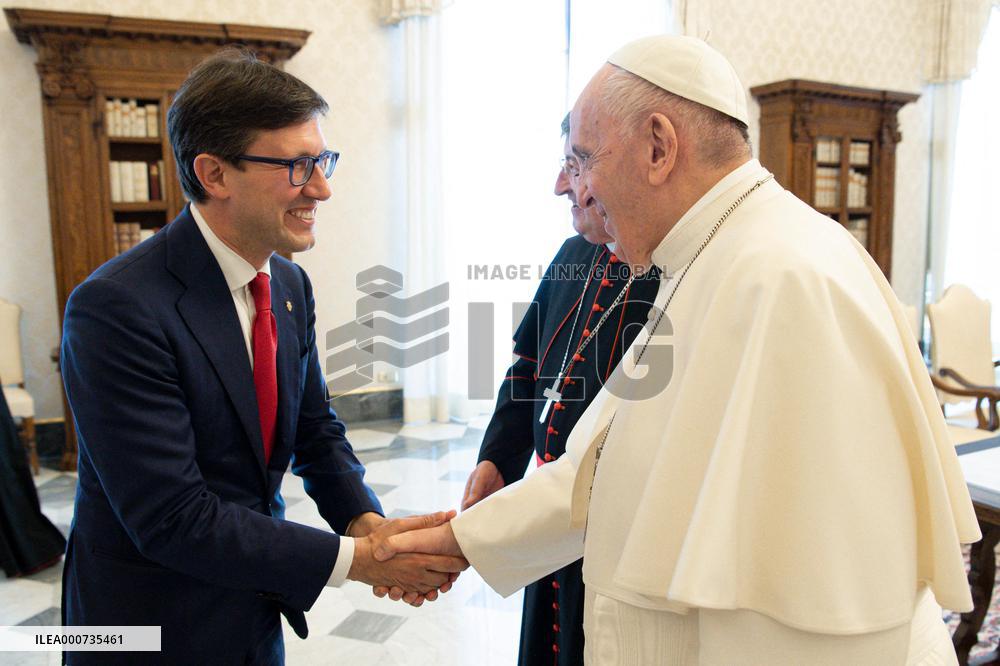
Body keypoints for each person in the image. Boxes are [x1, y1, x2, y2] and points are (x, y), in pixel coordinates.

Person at [375, 35, 980, 664]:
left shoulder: (783, 276)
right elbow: (606, 470)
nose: (573, 187)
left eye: (583, 160)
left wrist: (453, 541)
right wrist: (460, 539)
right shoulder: (711, 255)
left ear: (659, 147)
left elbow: (821, 586)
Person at [60, 50, 464, 665]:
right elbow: (172, 516)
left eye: (323, 160)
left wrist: (364, 523)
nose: (323, 188)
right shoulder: (115, 308)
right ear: (215, 174)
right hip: (145, 624)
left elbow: (314, 428)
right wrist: (356, 563)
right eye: (300, 166)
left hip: (250, 602)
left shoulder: (288, 285)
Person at [462, 113, 659, 665]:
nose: (559, 186)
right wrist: (499, 456)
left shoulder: (674, 272)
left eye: (574, 166)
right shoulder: (574, 255)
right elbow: (528, 364)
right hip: (549, 510)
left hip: (610, 528)